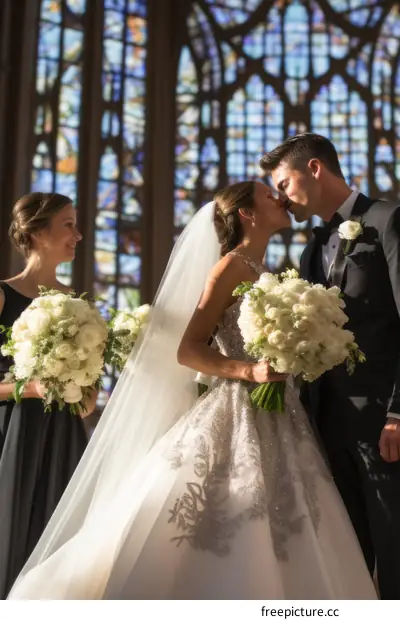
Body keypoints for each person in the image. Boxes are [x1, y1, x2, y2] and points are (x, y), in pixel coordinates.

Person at [7, 181, 378, 600]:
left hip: (282, 417)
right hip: (236, 409)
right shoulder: (229, 267)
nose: (280, 198)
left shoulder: (267, 273)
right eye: (267, 195)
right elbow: (188, 350)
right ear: (247, 214)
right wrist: (248, 370)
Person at [260, 134, 400, 600]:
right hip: (324, 428)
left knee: (398, 558)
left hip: (386, 423)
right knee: (342, 565)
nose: (281, 196)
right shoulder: (309, 251)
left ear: (315, 168)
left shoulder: (391, 221)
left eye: (284, 182)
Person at [0, 192, 93, 598]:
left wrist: (80, 391)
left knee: (56, 545)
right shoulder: (4, 295)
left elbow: (89, 399)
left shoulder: (76, 305)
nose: (80, 234)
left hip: (64, 437)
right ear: (38, 234)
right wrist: (30, 387)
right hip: (14, 434)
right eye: (68, 225)